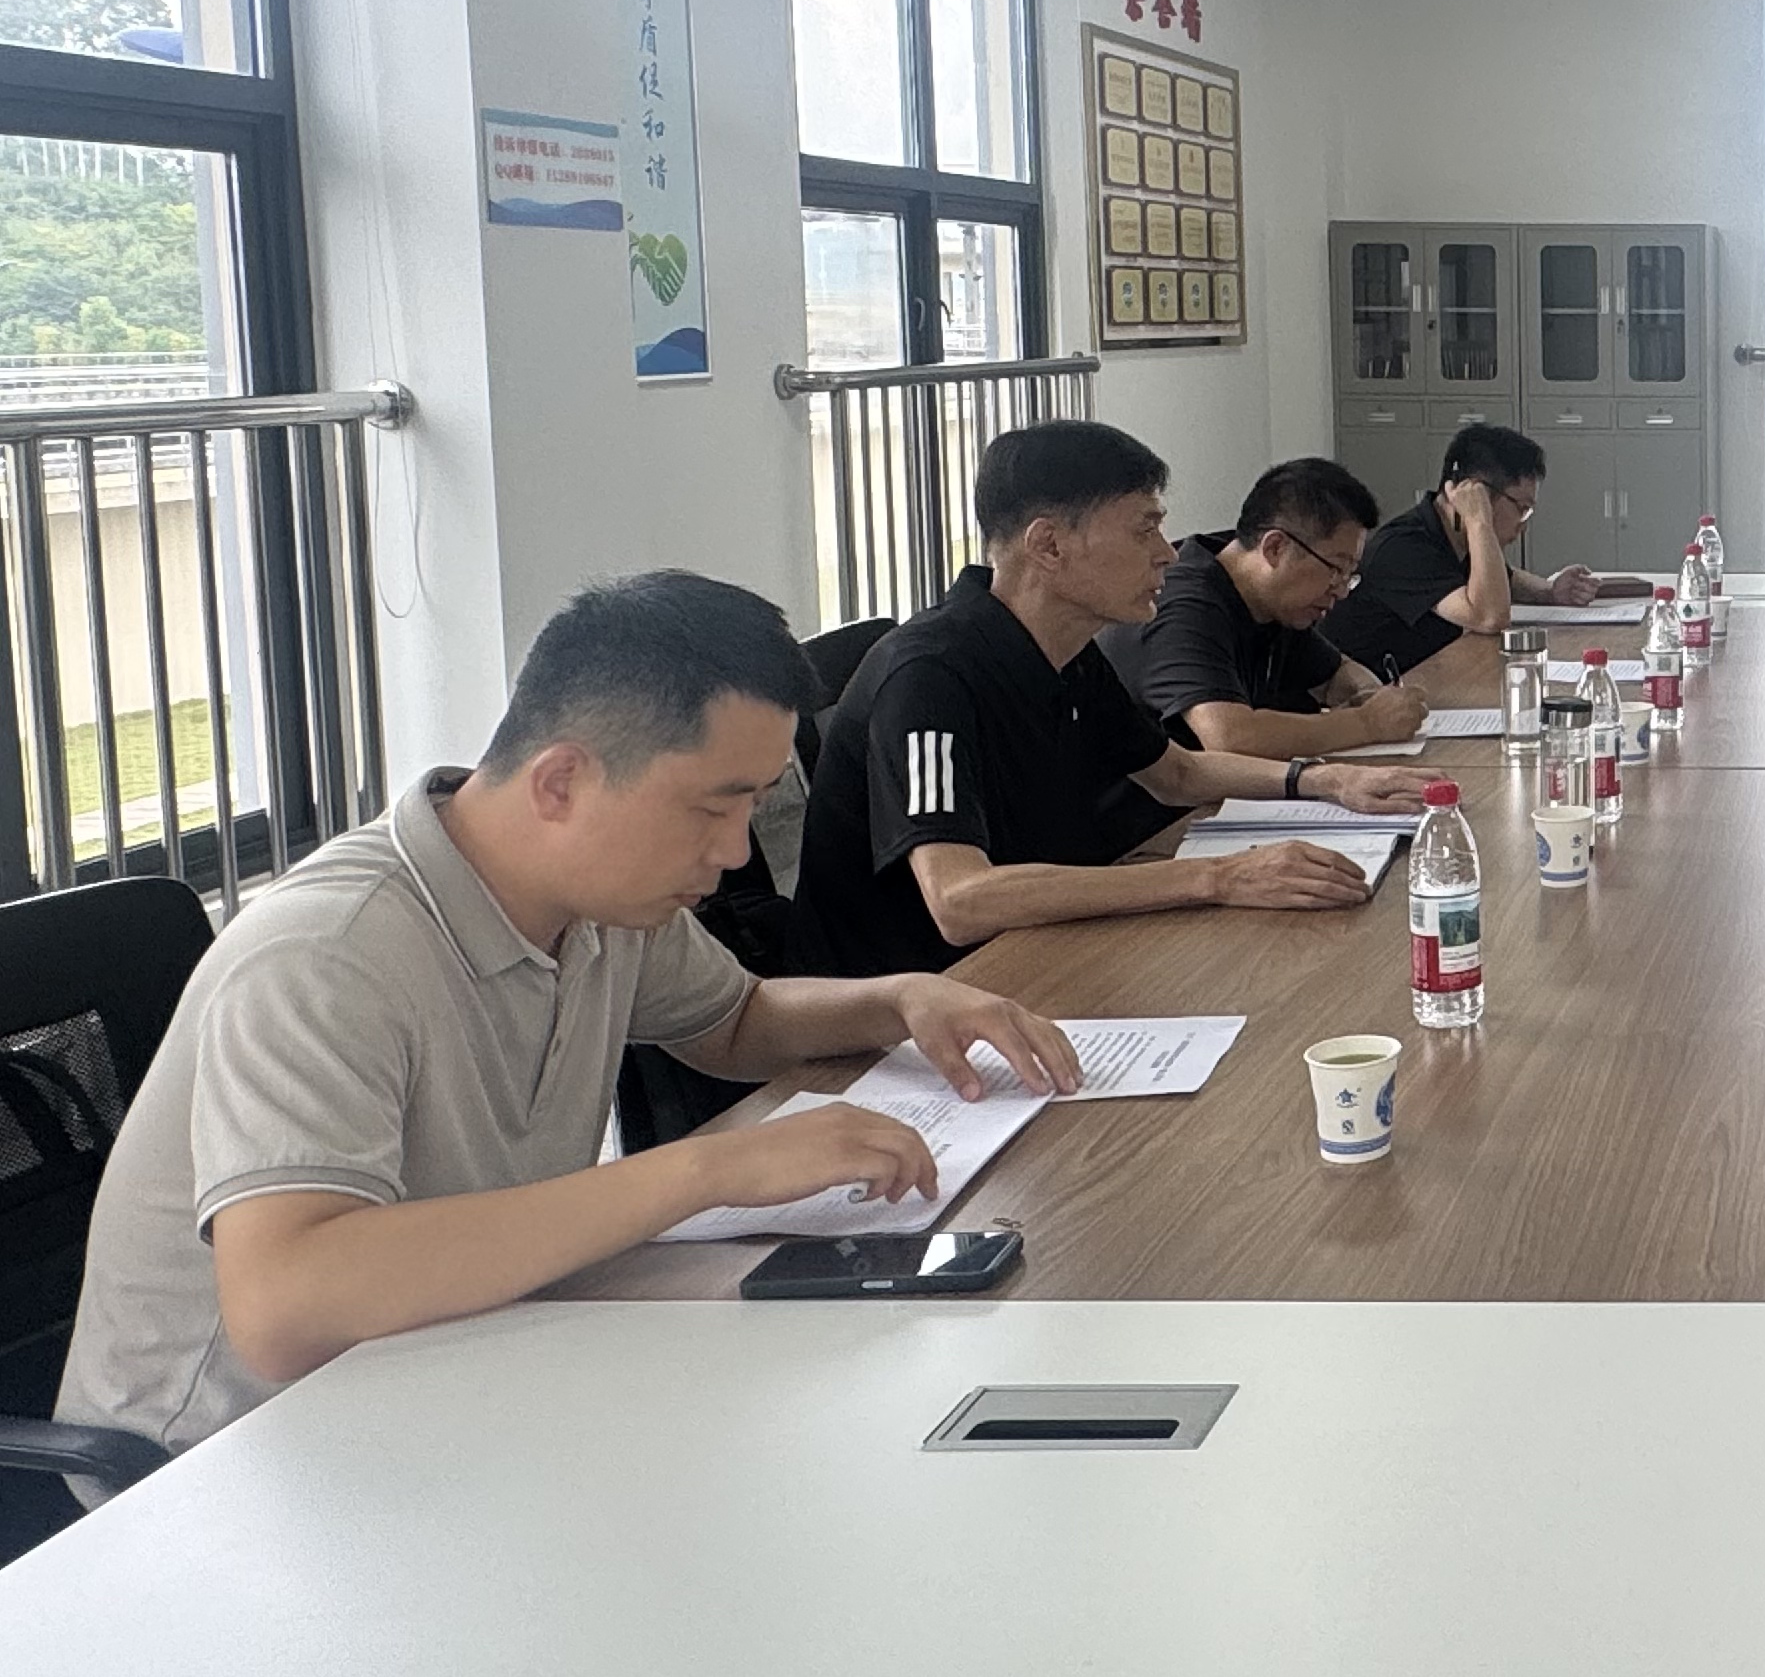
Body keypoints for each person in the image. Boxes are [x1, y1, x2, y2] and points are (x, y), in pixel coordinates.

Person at [57, 572, 1087, 1465]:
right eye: (712, 807)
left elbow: (734, 1021)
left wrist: (900, 998)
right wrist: (708, 1168)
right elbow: (289, 1305)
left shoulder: (601, 904)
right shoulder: (326, 957)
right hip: (228, 1461)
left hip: (451, 1365)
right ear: (560, 781)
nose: (736, 852)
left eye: (753, 807)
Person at [797, 420, 1435, 977]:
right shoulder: (928, 675)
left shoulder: (1067, 650)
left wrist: (1326, 782)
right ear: (1048, 545)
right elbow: (961, 899)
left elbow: (1175, 772)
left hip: (1045, 945)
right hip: (921, 997)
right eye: (1144, 530)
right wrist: (1217, 877)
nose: (1166, 555)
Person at [1098, 456, 1429, 761]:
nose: (1341, 590)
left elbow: (1334, 674)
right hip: (1153, 804)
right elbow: (1228, 737)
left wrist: (1369, 694)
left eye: (1349, 574)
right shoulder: (1183, 605)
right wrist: (1366, 724)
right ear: (1275, 548)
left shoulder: (1269, 599)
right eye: (1335, 569)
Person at [1323, 423, 1612, 682]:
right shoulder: (1404, 547)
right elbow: (1489, 617)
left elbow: (1507, 578)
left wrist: (1549, 592)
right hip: (1362, 700)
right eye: (1522, 509)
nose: (1523, 524)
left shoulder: (1450, 535)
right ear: (1478, 493)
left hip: (1424, 681)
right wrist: (1479, 521)